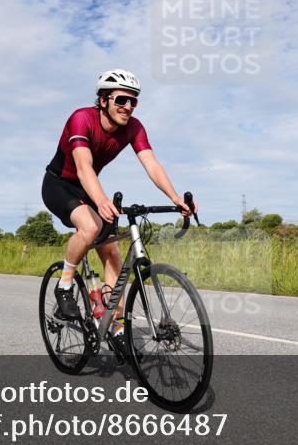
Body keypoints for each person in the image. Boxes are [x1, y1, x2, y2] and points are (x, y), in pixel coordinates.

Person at [42, 69, 197, 349]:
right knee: (90, 227)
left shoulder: (134, 127)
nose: (128, 107)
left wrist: (176, 198)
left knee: (112, 254)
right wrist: (100, 201)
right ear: (103, 100)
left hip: (90, 188)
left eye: (133, 101)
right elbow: (83, 166)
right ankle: (64, 285)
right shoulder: (82, 119)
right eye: (122, 100)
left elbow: (151, 163)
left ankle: (112, 322)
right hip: (60, 185)